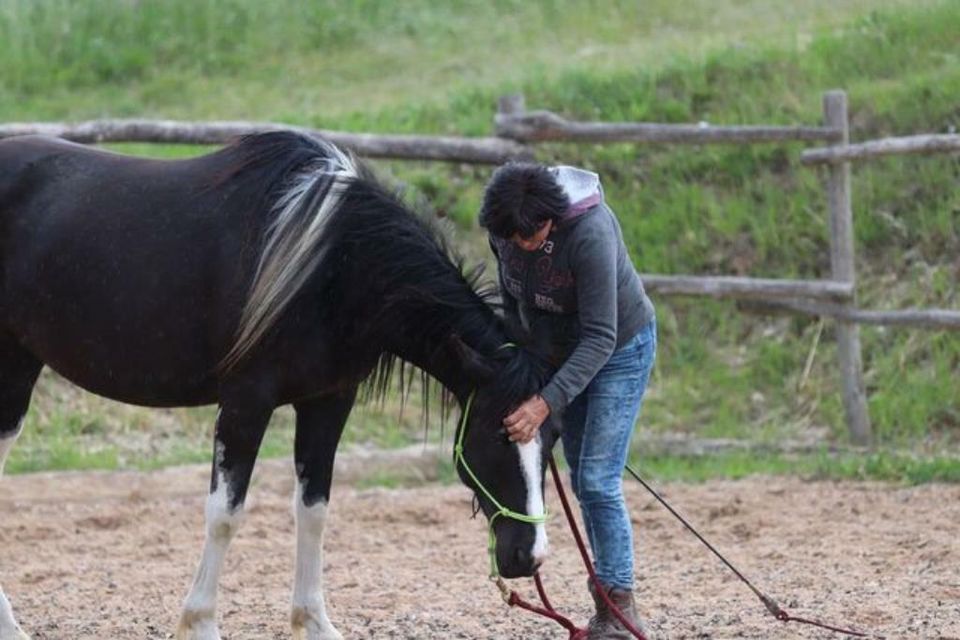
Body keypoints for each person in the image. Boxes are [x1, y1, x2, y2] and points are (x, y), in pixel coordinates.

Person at [480, 163, 657, 639]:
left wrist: (544, 403)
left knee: (598, 480)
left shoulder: (590, 234)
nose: (524, 245)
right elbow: (514, 305)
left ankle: (618, 607)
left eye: (532, 234)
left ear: (552, 218)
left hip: (618, 349)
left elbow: (601, 336)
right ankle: (606, 596)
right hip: (557, 349)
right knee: (581, 476)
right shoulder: (507, 233)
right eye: (512, 238)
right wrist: (521, 373)